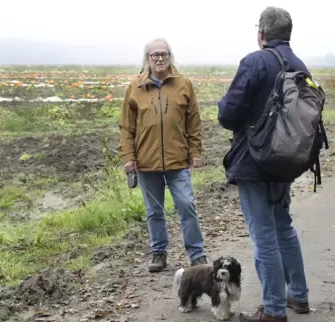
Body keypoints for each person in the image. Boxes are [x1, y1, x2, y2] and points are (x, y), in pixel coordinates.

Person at [217, 7, 310, 322]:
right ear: (288, 33)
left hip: (254, 162)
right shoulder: (300, 66)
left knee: (264, 236)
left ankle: (272, 310)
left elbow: (228, 114)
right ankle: (298, 295)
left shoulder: (254, 62)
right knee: (283, 227)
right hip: (286, 161)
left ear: (261, 34)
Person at [118, 38, 208, 273]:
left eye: (164, 54)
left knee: (187, 205)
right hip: (146, 162)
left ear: (170, 57)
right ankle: (159, 253)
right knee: (154, 211)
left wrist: (195, 151)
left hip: (178, 161)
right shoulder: (135, 86)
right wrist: (129, 157)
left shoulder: (184, 84)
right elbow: (126, 127)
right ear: (147, 59)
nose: (160, 58)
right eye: (154, 55)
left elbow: (194, 122)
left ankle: (197, 255)